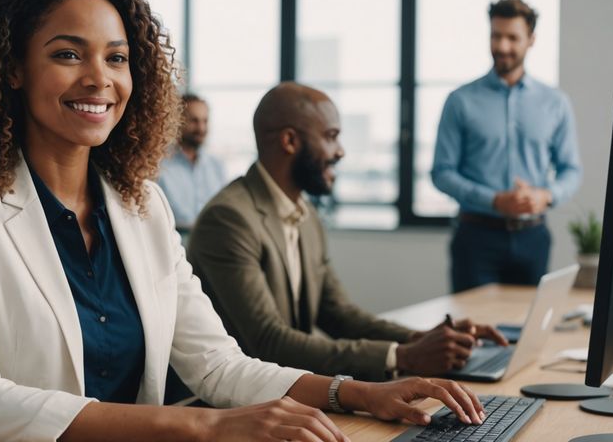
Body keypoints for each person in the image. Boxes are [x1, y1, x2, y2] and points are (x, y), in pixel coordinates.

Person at [0, 0, 485, 442]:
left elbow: (216, 365)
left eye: (117, 57)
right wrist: (204, 426)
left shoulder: (141, 207)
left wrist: (358, 393)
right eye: (67, 54)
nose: (99, 79)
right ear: (11, 69)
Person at [187, 82, 509, 382]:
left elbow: (339, 315)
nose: (340, 151)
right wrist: (402, 357)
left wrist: (424, 339)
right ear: (289, 141)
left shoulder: (306, 215)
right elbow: (269, 342)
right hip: (229, 405)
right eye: (331, 136)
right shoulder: (229, 219)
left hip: (282, 394)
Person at [431, 0, 581, 293]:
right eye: (496, 35)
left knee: (528, 330)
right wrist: (494, 200)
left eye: (512, 38)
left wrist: (546, 196)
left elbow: (571, 170)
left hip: (533, 237)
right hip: (475, 237)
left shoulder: (555, 103)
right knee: (470, 333)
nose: (502, 47)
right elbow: (442, 172)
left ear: (531, 40)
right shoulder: (460, 101)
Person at [156, 93, 227, 230]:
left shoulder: (217, 166)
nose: (201, 128)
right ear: (178, 121)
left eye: (205, 121)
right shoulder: (159, 166)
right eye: (194, 121)